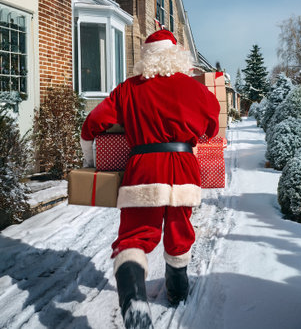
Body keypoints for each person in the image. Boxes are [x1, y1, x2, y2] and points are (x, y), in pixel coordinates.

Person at [80, 29, 220, 329]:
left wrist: (89, 159)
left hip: (143, 167)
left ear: (147, 58)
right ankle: (178, 289)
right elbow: (212, 126)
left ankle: (134, 301)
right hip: (184, 167)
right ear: (177, 56)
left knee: (135, 235)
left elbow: (92, 123)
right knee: (178, 229)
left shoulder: (128, 89)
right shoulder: (195, 89)